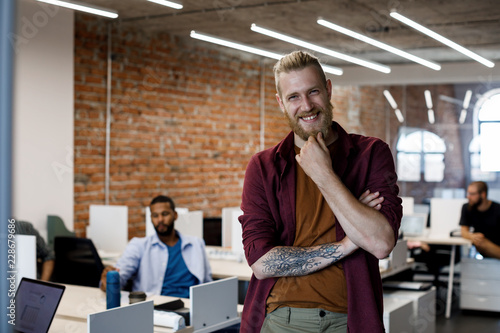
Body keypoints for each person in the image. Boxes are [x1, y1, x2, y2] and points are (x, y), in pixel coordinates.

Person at [238, 51, 402, 333]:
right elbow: (262, 263)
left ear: (327, 90)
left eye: (313, 92)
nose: (306, 106)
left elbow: (381, 243)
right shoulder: (263, 167)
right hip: (281, 318)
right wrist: (348, 244)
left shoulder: (371, 154)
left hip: (351, 319)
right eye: (293, 97)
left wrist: (323, 175)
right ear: (281, 103)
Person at [100, 195, 212, 297]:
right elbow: (121, 275)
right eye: (155, 216)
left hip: (192, 305)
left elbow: (207, 282)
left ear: (175, 215)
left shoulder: (196, 244)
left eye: (165, 214)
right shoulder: (139, 246)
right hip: (156, 308)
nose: (160, 220)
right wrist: (108, 282)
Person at [460, 181, 500, 259]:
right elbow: (463, 231)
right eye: (468, 193)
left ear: (483, 195)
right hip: (481, 243)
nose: (468, 197)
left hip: (497, 244)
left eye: (472, 194)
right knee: (480, 241)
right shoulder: (467, 208)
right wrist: (472, 236)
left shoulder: (497, 209)